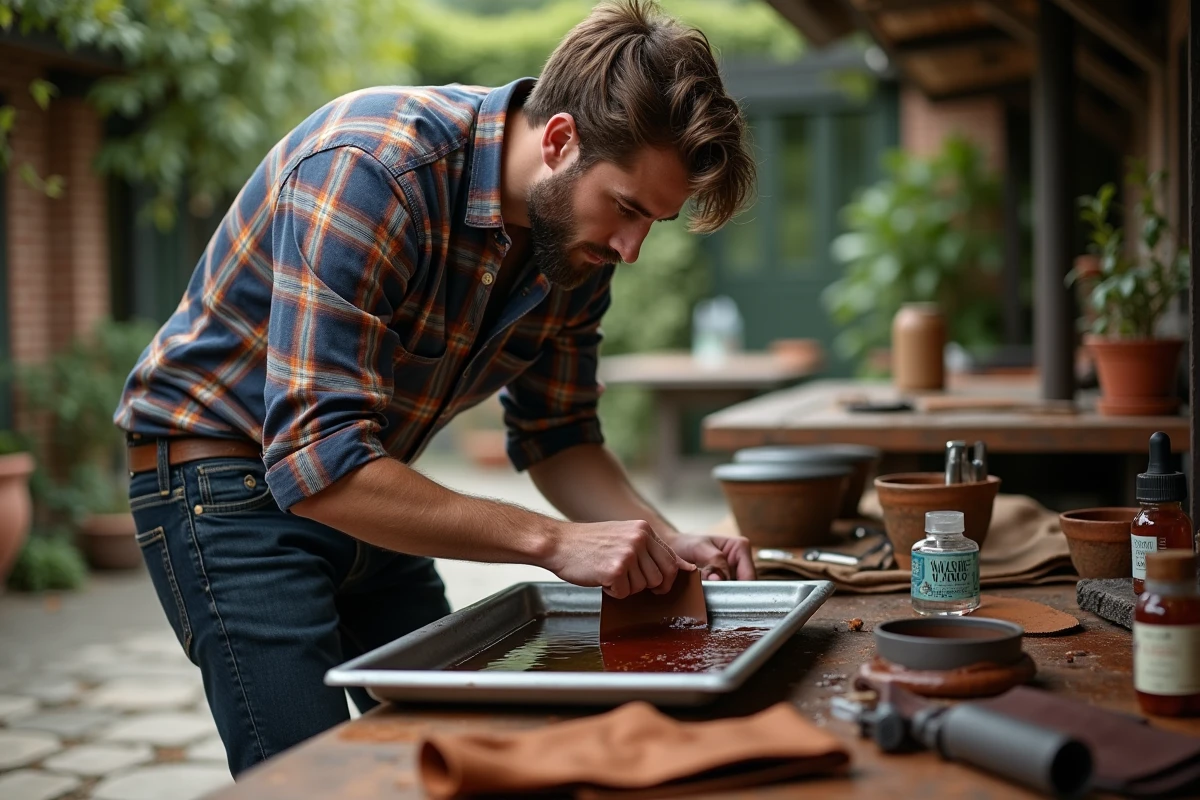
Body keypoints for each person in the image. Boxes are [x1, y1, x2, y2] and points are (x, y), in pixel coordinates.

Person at [114, 0, 757, 777]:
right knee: (317, 784)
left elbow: (561, 437)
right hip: (223, 485)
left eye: (653, 220)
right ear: (559, 141)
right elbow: (316, 462)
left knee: (464, 755)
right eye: (625, 208)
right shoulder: (374, 168)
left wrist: (660, 542)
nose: (631, 248)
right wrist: (553, 542)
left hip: (368, 482)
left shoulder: (573, 250)